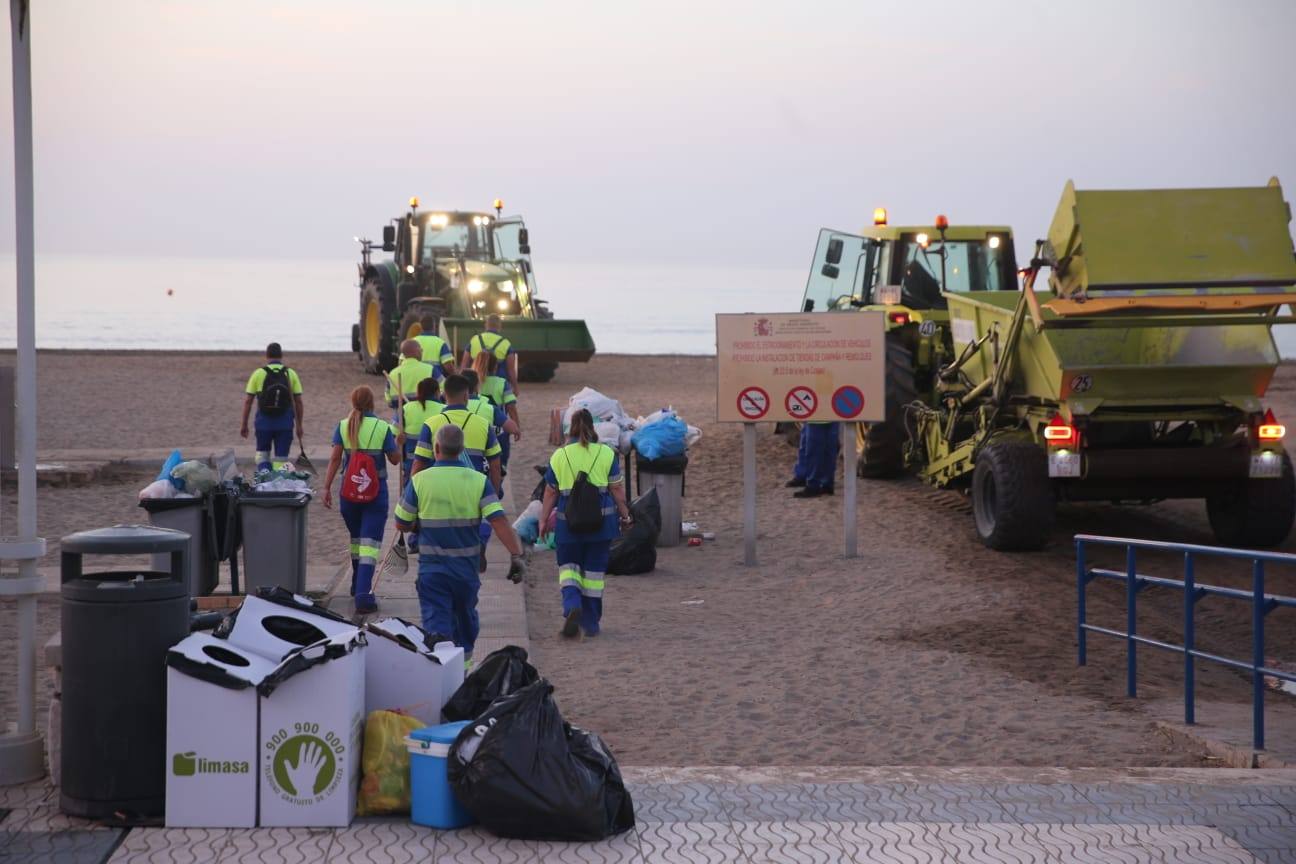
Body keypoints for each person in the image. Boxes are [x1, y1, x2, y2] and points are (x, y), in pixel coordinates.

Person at [395, 423, 526, 663]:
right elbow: (499, 521)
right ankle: (463, 671)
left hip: (433, 569)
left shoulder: (420, 481)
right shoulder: (477, 481)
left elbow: (401, 523)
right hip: (466, 570)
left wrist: (418, 524)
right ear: (462, 449)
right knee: (465, 622)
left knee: (437, 628)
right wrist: (516, 554)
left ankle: (443, 677)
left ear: (436, 448)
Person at [539, 408, 631, 639]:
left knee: (568, 569)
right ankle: (590, 623)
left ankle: (572, 605)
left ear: (570, 428)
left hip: (567, 525)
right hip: (602, 524)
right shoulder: (607, 454)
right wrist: (625, 514)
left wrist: (542, 520)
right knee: (593, 575)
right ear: (594, 428)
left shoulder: (560, 456)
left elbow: (550, 492)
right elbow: (617, 488)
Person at [412, 374, 504, 572]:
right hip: (474, 487)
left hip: (438, 487)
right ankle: (477, 547)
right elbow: (496, 465)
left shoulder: (431, 423)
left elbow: (418, 463)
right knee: (475, 525)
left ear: (444, 395)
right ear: (466, 396)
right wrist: (494, 491)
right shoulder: (482, 424)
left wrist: (412, 491)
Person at [322, 386, 400, 613]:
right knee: (369, 545)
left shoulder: (343, 426)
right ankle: (364, 596)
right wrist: (399, 443)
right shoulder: (382, 427)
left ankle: (357, 583)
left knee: (357, 540)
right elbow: (395, 460)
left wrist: (326, 487)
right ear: (372, 403)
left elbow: (335, 459)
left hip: (349, 495)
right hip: (375, 495)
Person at [396, 377, 445, 557]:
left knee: (414, 501)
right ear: (437, 392)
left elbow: (394, 434)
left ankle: (415, 540)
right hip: (436, 464)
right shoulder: (443, 410)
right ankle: (430, 538)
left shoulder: (406, 409)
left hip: (412, 464)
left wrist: (399, 439)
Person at [240, 342, 303, 471]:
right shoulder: (290, 373)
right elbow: (299, 402)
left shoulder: (258, 374)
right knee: (281, 459)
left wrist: (244, 424)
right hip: (285, 424)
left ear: (267, 355)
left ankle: (264, 481)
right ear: (281, 355)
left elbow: (248, 402)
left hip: (263, 423)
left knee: (262, 457)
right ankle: (278, 484)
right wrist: (299, 425)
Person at [473, 352, 521, 471]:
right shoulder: (502, 383)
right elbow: (511, 407)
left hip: (476, 428)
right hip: (499, 431)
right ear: (495, 367)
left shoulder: (473, 382)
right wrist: (516, 426)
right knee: (499, 468)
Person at [460, 313, 518, 393]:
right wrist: (515, 387)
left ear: (486, 325)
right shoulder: (505, 343)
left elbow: (464, 365)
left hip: (476, 386)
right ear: (500, 326)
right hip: (498, 387)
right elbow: (511, 370)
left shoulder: (474, 340)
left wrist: (460, 385)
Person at [787, 421, 840, 497]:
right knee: (829, 446)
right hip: (833, 414)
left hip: (817, 416)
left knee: (814, 446)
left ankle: (813, 485)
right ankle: (826, 484)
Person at [385, 340, 435, 409]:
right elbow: (443, 390)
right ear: (417, 351)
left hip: (400, 416)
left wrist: (394, 405)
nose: (422, 352)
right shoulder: (430, 369)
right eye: (421, 350)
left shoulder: (393, 373)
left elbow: (388, 397)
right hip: (426, 414)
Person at [413, 313, 456, 379]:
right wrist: (456, 376)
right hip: (435, 382)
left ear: (421, 327)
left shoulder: (412, 342)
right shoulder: (440, 343)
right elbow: (448, 366)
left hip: (416, 379)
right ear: (434, 326)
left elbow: (402, 362)